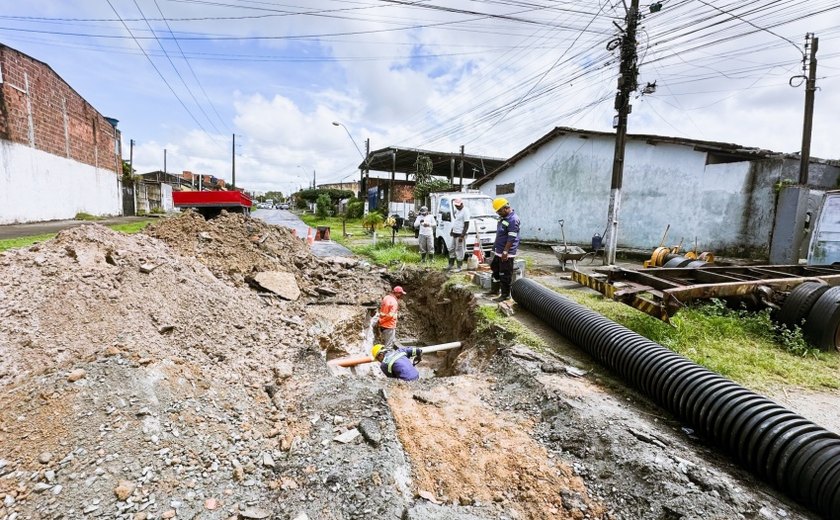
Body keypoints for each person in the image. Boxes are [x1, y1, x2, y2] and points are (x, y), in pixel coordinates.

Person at [489, 197, 520, 301]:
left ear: (505, 208)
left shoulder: (513, 219)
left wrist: (505, 251)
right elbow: (501, 233)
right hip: (499, 251)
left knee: (505, 274)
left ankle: (505, 295)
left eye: (499, 211)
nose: (498, 213)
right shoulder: (504, 218)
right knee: (495, 269)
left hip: (506, 253)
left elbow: (511, 237)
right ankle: (494, 290)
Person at [378, 286, 406, 350]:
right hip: (389, 326)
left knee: (384, 343)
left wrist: (380, 321)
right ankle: (387, 358)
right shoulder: (394, 302)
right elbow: (390, 315)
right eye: (401, 294)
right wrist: (381, 321)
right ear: (397, 293)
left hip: (383, 326)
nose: (401, 295)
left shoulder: (386, 298)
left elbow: (382, 310)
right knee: (388, 346)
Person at [447, 198, 470, 272]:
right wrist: (452, 230)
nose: (457, 207)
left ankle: (459, 267)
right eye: (456, 206)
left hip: (460, 234)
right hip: (455, 233)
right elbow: (456, 221)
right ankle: (451, 265)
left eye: (458, 205)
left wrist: (462, 236)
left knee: (459, 250)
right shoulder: (457, 211)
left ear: (462, 204)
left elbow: (466, 225)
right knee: (451, 249)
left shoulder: (465, 211)